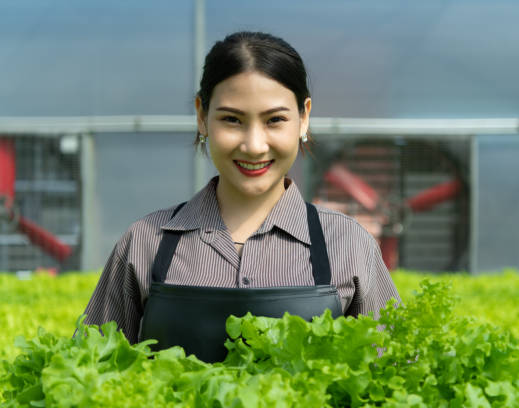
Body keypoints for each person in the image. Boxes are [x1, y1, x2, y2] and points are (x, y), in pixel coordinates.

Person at [82, 31, 401, 363]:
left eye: (275, 120)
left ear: (304, 117)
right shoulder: (145, 243)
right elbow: (89, 371)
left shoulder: (349, 245)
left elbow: (396, 375)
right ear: (201, 116)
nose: (254, 145)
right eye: (232, 120)